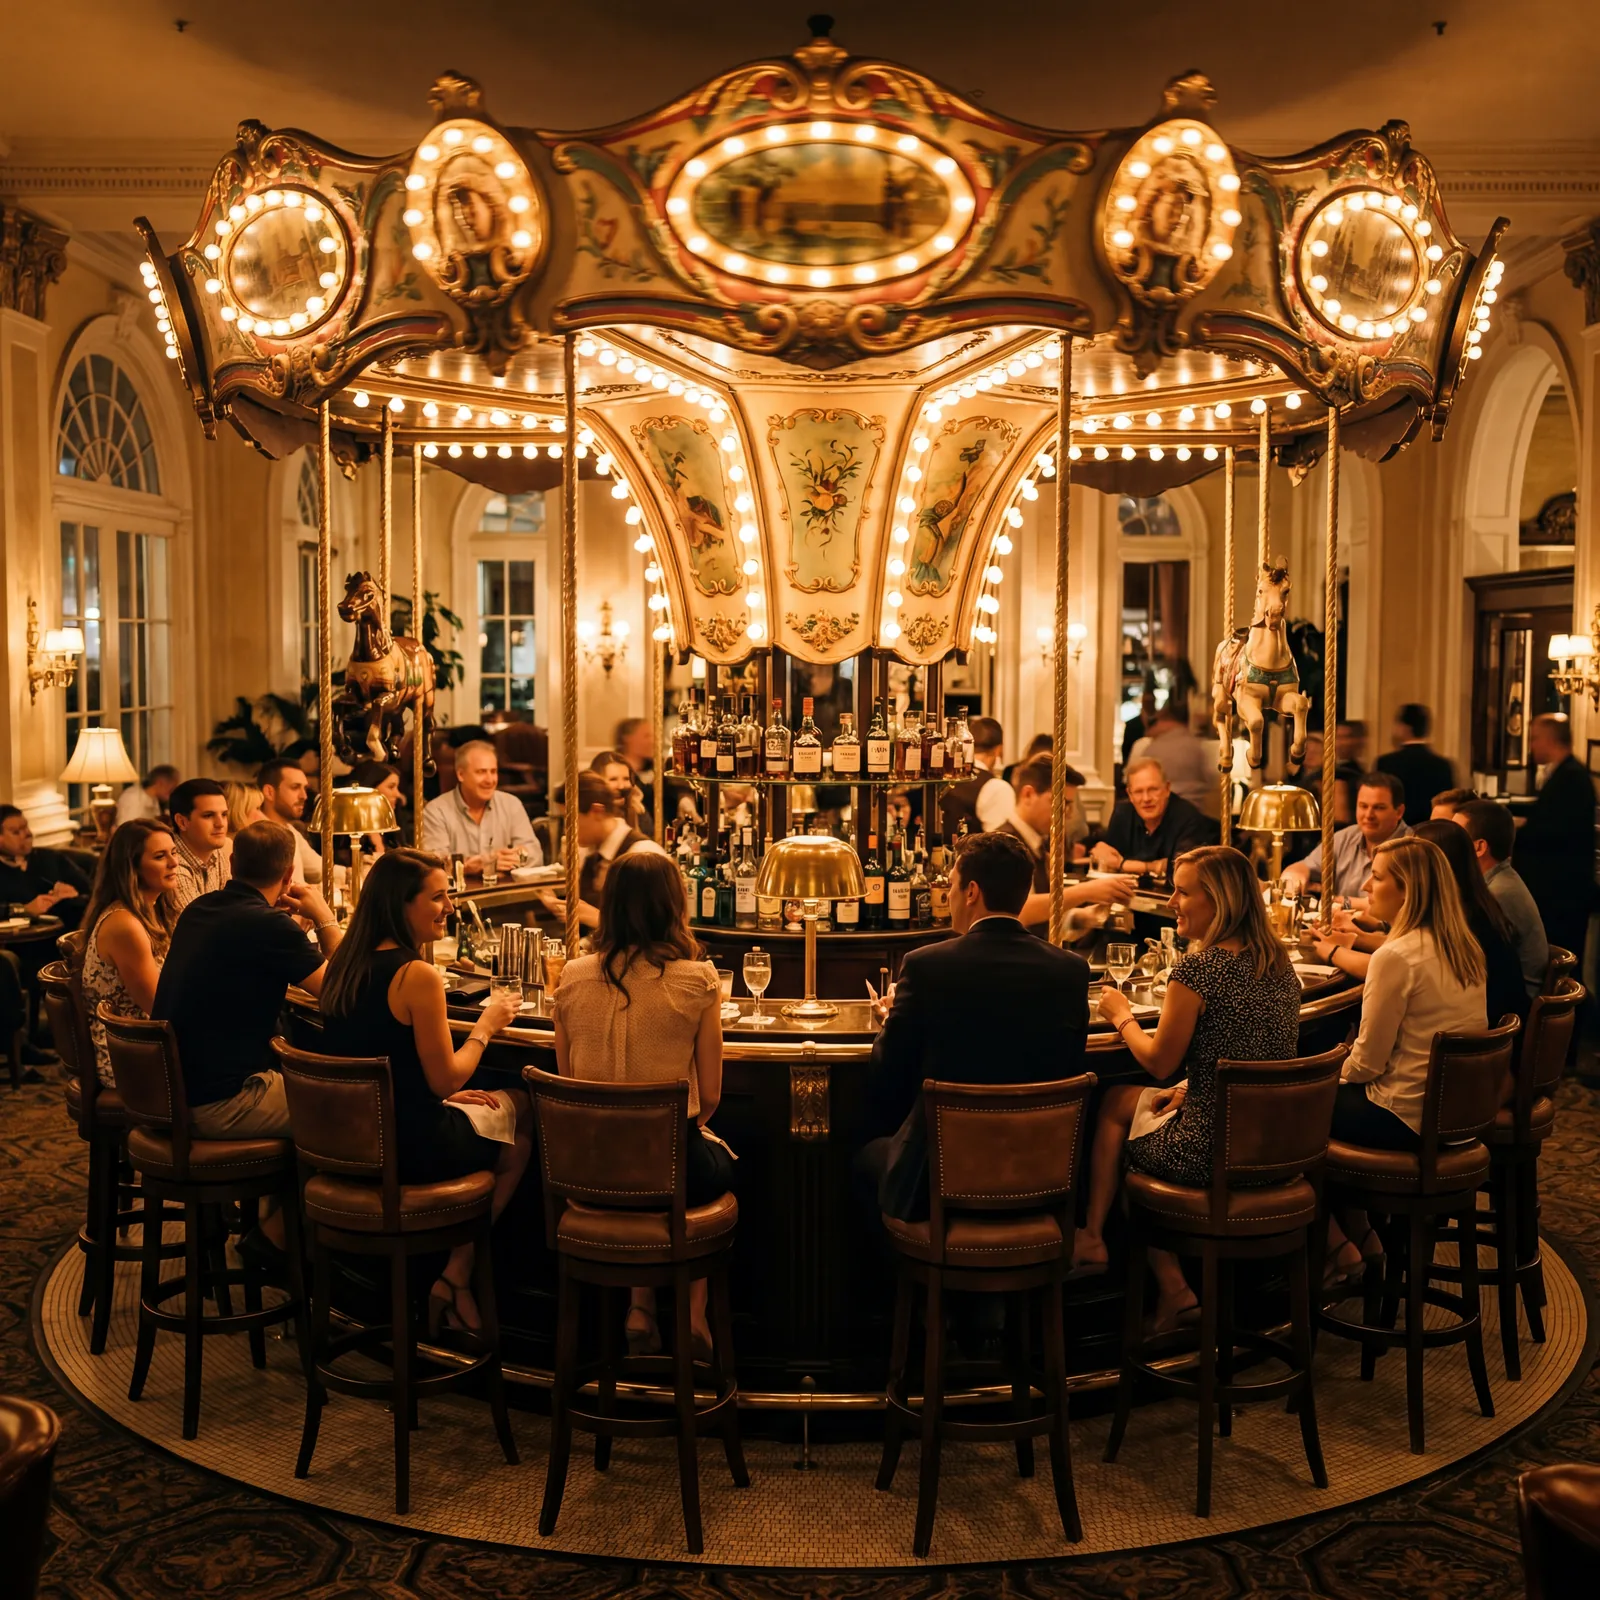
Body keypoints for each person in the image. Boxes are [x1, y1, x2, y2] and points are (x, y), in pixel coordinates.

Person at [1076, 846, 1302, 1330]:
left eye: (1182, 891)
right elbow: (1250, 1050)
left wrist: (1121, 1017)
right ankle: (1114, 1249)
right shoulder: (1280, 962)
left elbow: (1158, 1062)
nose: (1172, 900)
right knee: (1122, 1102)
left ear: (1217, 901)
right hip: (1279, 1148)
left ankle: (1157, 1277)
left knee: (1121, 1135)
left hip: (1213, 1153)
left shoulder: (1198, 971)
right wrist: (1187, 1089)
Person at [319, 849, 531, 1337]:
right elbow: (447, 1080)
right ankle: (456, 1275)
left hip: (351, 1148)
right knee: (521, 1117)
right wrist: (487, 1024)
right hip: (409, 1152)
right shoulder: (417, 976)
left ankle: (453, 1280)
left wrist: (440, 1097)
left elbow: (381, 1059)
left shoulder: (343, 965)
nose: (449, 907)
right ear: (402, 903)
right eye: (437, 897)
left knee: (487, 1108)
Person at [861, 831, 1092, 1223]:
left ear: (971, 891)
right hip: (1041, 1174)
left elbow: (887, 1078)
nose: (946, 896)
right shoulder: (1070, 970)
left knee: (864, 1159)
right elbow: (1069, 1061)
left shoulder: (925, 966)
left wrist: (891, 1021)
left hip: (941, 1179)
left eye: (949, 885)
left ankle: (907, 1282)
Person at [554, 851, 731, 1358]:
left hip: (588, 1171)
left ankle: (640, 1307)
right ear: (674, 906)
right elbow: (711, 1096)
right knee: (710, 1165)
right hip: (670, 1169)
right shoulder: (698, 979)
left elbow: (570, 1083)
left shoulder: (571, 975)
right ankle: (694, 1317)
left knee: (639, 1166)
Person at [152, 821, 342, 1260]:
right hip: (222, 1102)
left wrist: (290, 930)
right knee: (355, 1116)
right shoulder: (269, 926)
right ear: (290, 874)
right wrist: (324, 916)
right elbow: (341, 996)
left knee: (317, 1098)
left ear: (233, 865)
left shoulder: (199, 909)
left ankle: (274, 1228)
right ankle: (278, 1238)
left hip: (177, 1092)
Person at [1324, 835, 1489, 1281]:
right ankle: (1361, 1237)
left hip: (1406, 1117)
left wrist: (1320, 1075)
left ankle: (1336, 1249)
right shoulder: (1463, 944)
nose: (1367, 884)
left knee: (1291, 1118)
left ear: (1407, 891)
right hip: (1453, 1117)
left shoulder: (1395, 955)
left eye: (1376, 877)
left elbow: (1367, 1065)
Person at [78, 818, 179, 1087]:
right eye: (160, 856)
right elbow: (160, 1007)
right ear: (131, 867)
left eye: (174, 852)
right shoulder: (125, 924)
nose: (173, 863)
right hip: (131, 1057)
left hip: (152, 1041)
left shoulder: (155, 911)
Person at [997, 756, 1136, 934]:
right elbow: (1016, 912)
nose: (1067, 814)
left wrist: (1085, 917)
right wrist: (1085, 891)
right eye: (1062, 804)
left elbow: (1043, 919)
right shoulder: (1002, 845)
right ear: (1028, 794)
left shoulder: (1040, 845)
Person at [1413, 819, 1528, 1023]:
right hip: (1498, 1028)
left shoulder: (1465, 919)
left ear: (1439, 867)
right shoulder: (1474, 903)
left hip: (1487, 1039)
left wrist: (1337, 950)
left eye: (1412, 861)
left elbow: (1402, 965)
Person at [1514, 713, 1595, 968]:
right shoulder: (1564, 774)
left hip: (1563, 892)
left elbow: (1557, 832)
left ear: (1550, 739)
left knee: (1563, 962)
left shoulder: (1571, 778)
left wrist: (1519, 829)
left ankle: (1566, 1006)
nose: (1531, 746)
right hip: (1559, 889)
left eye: (1535, 739)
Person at [539, 772, 666, 931]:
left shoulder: (642, 854)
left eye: (570, 819)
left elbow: (656, 929)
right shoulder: (588, 853)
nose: (567, 829)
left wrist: (594, 917)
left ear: (596, 811)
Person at [1455, 797, 1549, 1000]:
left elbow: (1461, 959)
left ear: (1479, 848)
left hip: (1512, 1007)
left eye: (1457, 839)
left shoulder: (1497, 893)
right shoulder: (1497, 880)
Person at [1281, 772, 1410, 903]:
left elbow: (1394, 906)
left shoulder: (1413, 847)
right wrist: (1295, 877)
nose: (1369, 815)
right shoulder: (1345, 837)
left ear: (1399, 812)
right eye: (1363, 806)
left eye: (1378, 808)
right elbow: (1303, 866)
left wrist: (1341, 901)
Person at [420, 739, 540, 876]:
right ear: (461, 774)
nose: (490, 780)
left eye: (493, 771)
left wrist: (516, 858)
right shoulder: (436, 811)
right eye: (481, 772)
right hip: (458, 896)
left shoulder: (511, 804)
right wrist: (469, 867)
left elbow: (535, 854)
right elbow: (433, 867)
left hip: (508, 893)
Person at [1089, 757, 1215, 878]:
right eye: (1138, 791)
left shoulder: (1188, 817)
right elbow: (1108, 860)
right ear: (1130, 794)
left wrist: (1123, 864)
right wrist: (1153, 866)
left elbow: (1182, 869)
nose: (1146, 799)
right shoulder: (1122, 813)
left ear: (1167, 789)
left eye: (1153, 789)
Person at [0, 804, 92, 929]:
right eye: (16, 832)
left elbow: (93, 891)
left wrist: (75, 894)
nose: (27, 834)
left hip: (62, 937)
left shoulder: (51, 857)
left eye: (26, 827)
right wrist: (24, 910)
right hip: (17, 942)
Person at [1129, 700, 1215, 817]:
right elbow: (1209, 781)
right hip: (1195, 813)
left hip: (1164, 814)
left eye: (1157, 721)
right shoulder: (1197, 745)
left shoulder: (1152, 748)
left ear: (1166, 722)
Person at [1377, 704, 1455, 827]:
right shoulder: (1442, 765)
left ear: (1404, 727)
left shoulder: (1386, 763)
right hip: (1430, 833)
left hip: (1395, 833)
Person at [939, 716, 1013, 840]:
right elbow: (1001, 844)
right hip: (974, 858)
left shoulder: (944, 775)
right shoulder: (996, 788)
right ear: (999, 750)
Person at [167, 779, 231, 913]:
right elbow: (199, 927)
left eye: (224, 814)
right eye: (208, 816)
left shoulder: (216, 852)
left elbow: (233, 906)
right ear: (182, 822)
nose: (220, 824)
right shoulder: (172, 865)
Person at [259, 758, 323, 885]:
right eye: (295, 787)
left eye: (305, 788)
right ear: (269, 792)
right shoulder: (258, 837)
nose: (304, 796)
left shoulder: (290, 830)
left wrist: (357, 867)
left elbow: (318, 869)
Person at [346, 760, 406, 854]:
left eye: (397, 788)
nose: (397, 794)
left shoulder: (391, 832)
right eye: (391, 787)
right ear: (371, 788)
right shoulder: (347, 833)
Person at [590, 748, 647, 831]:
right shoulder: (587, 815)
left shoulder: (637, 810)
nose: (621, 786)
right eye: (613, 779)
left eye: (626, 779)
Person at [613, 715, 656, 822]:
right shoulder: (613, 769)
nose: (652, 741)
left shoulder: (656, 768)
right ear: (627, 738)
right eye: (646, 736)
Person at [115, 764, 179, 826]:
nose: (173, 791)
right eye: (172, 788)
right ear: (160, 783)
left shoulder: (154, 800)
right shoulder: (133, 798)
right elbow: (126, 829)